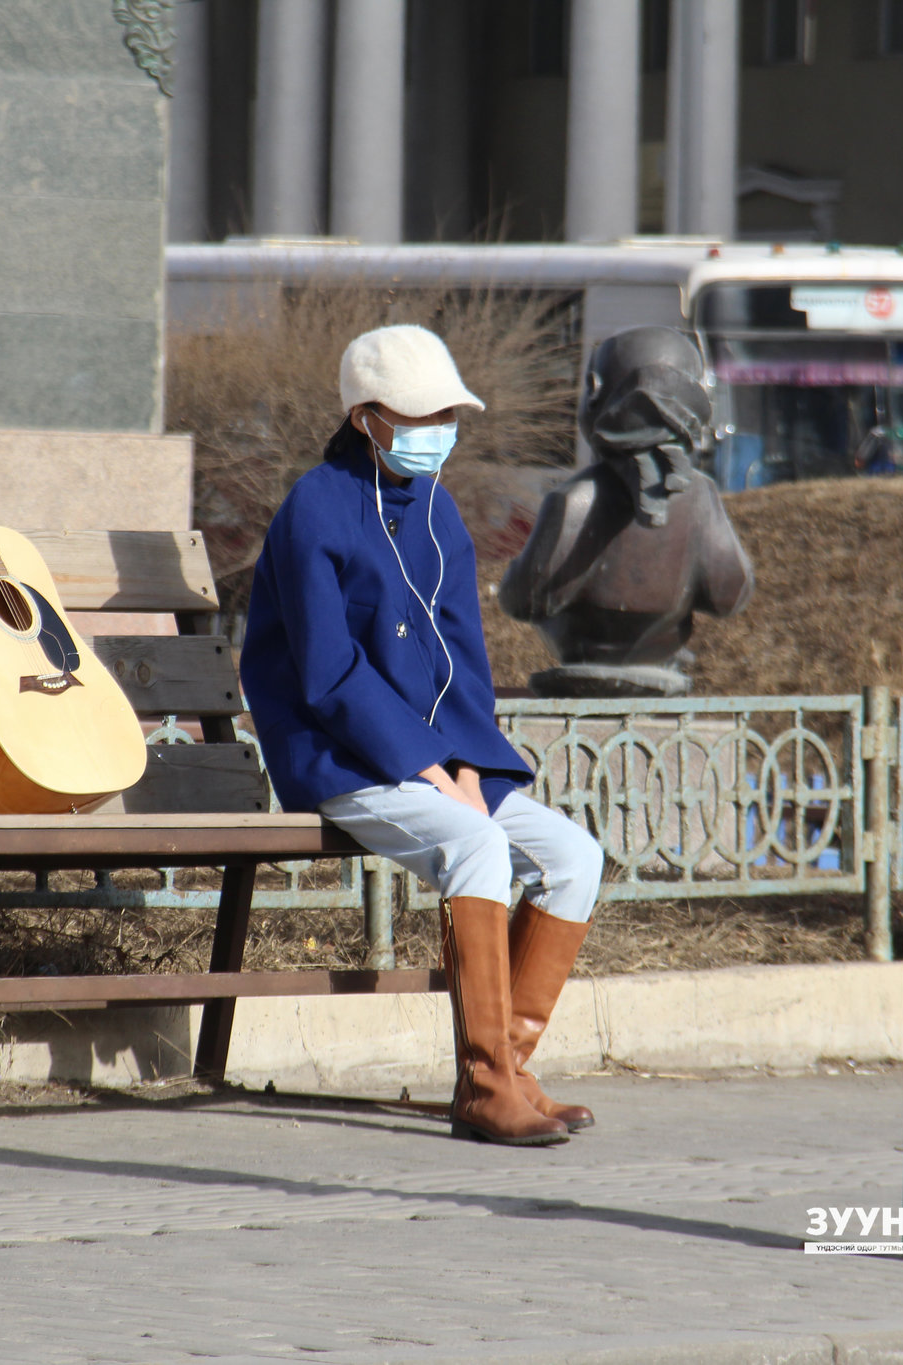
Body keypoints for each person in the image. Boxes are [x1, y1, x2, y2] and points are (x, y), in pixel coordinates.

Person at [240, 324, 606, 1148]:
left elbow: (462, 660)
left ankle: (508, 1069)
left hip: (441, 762)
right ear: (366, 416)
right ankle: (483, 1090)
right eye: (420, 415)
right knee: (477, 847)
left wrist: (471, 761)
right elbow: (328, 676)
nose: (438, 428)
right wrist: (423, 761)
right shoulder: (314, 509)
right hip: (339, 755)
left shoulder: (438, 507)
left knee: (576, 857)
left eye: (448, 412)